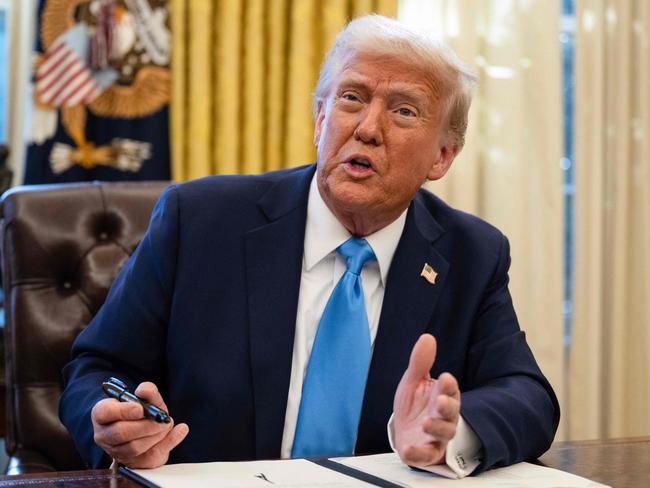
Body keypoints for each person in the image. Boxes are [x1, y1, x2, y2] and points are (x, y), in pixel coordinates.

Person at [60, 14, 559, 479]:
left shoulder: (472, 253)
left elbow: (528, 396)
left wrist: (449, 433)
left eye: (404, 111)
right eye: (351, 98)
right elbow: (97, 368)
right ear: (320, 119)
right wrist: (114, 424)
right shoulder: (200, 221)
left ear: (443, 155)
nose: (367, 128)